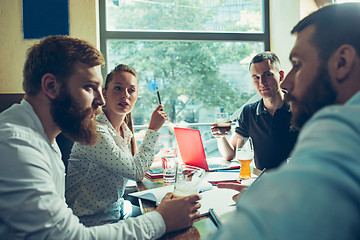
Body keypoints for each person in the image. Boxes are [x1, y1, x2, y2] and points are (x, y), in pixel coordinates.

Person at [0, 35, 201, 240]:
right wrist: (161, 220)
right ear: (51, 86)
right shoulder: (16, 147)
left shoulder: (43, 139)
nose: (101, 100)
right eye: (89, 87)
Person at [211, 3, 360, 239]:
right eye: (256, 78)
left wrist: (263, 197)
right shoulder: (250, 111)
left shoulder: (340, 128)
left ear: (342, 62)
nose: (289, 83)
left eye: (298, 65)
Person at [65, 64, 167, 226]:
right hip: (91, 223)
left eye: (131, 90)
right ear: (104, 92)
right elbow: (135, 172)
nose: (125, 95)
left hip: (117, 211)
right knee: (164, 222)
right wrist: (153, 129)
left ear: (136, 95)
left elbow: (124, 164)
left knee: (166, 213)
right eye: (118, 88)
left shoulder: (123, 131)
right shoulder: (96, 131)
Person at [212, 52, 298, 170]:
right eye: (256, 77)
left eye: (267, 75)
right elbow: (231, 154)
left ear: (281, 75)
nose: (262, 82)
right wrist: (220, 137)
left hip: (296, 181)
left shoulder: (301, 108)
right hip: (262, 182)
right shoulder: (249, 112)